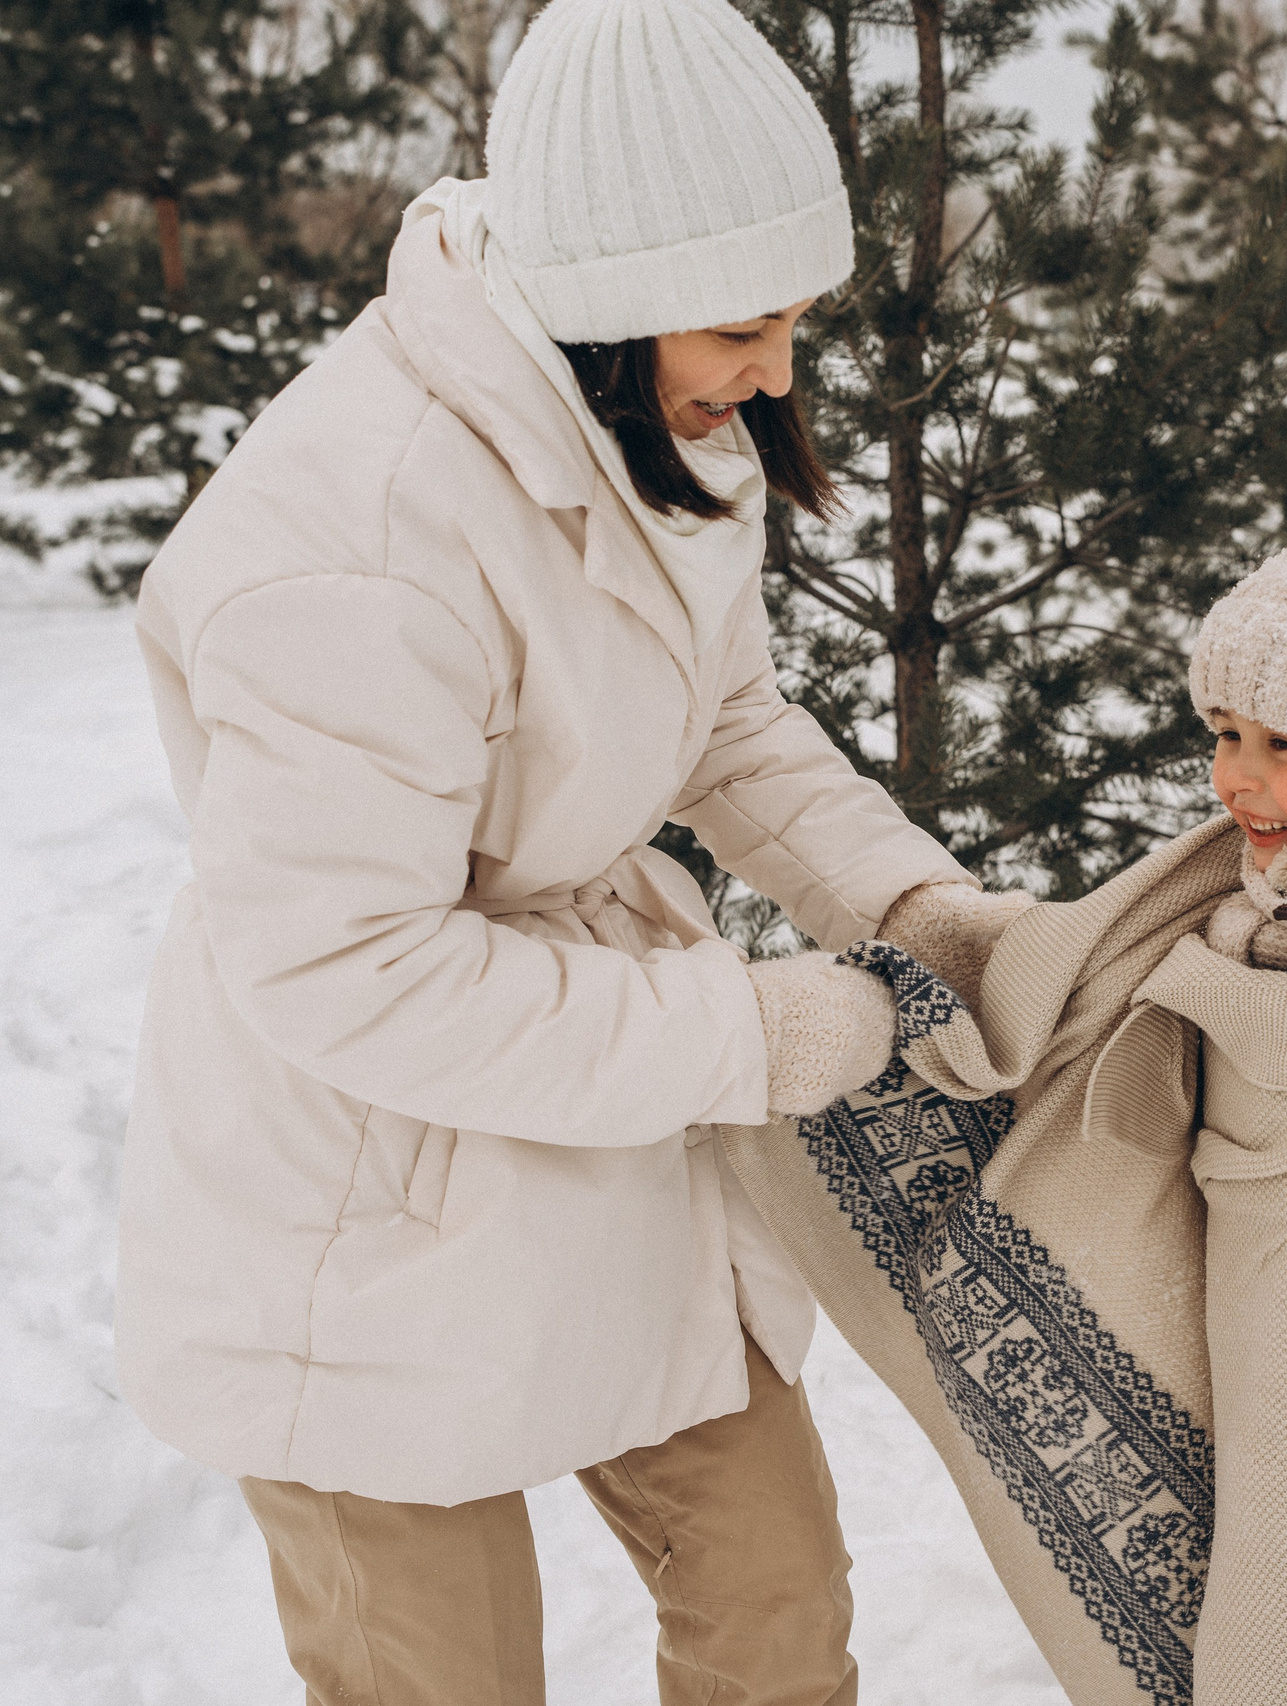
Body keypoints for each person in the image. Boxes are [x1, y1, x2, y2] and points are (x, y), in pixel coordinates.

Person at [114, 0, 1013, 1698]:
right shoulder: (362, 546)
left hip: (605, 1118)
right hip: (369, 1173)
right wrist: (752, 1033)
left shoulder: (650, 415)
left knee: (775, 1613)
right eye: (751, 324)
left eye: (798, 316)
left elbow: (725, 721)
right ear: (608, 298)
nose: (782, 372)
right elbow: (343, 964)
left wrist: (909, 902)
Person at [721, 459, 1287, 1706]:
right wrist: (881, 997)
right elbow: (1076, 963)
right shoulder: (1279, 886)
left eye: (1285, 745)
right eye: (1223, 734)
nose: (1233, 778)